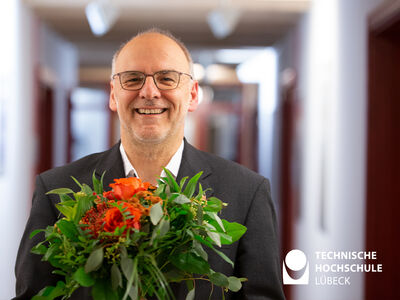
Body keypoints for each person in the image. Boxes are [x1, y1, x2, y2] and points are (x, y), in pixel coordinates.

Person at [14, 28, 285, 300]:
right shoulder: (57, 190)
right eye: (132, 78)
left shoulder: (247, 193)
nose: (149, 91)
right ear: (112, 95)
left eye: (167, 78)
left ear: (192, 95)